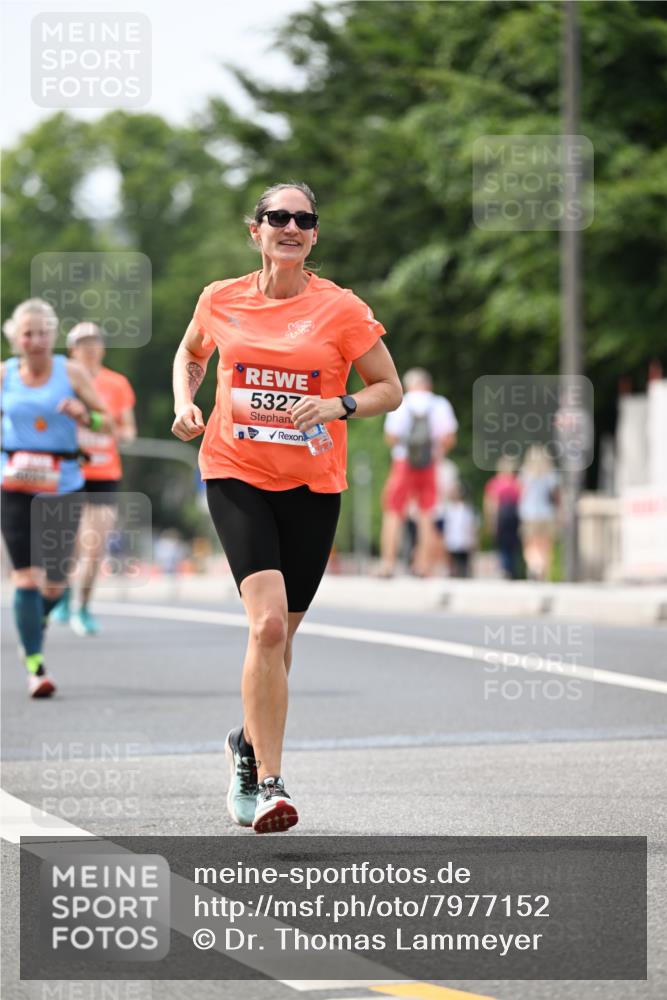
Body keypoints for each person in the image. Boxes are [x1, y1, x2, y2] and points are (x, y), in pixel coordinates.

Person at [171, 181, 402, 833]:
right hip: (234, 471)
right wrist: (187, 403)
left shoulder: (342, 310)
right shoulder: (220, 298)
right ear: (256, 230)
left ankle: (245, 742)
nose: (290, 226)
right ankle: (267, 782)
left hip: (311, 488)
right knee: (266, 628)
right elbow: (191, 354)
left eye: (303, 218)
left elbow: (389, 387)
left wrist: (339, 405)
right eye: (278, 217)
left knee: (282, 637)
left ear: (314, 234)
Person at [1, 300, 111, 697]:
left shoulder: (72, 373)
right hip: (14, 486)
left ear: (52, 335)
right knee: (26, 580)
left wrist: (86, 416)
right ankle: (35, 666)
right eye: (27, 333)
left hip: (62, 486)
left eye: (43, 332)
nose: (36, 340)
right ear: (15, 339)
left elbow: (108, 421)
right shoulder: (4, 375)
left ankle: (32, 625)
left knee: (55, 585)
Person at [50, 322, 137, 635]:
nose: (89, 348)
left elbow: (128, 430)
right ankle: (59, 595)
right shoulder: (60, 381)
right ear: (72, 349)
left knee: (94, 545)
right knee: (67, 544)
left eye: (95, 342)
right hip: (67, 472)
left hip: (104, 474)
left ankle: (83, 607)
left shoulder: (117, 384)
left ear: (102, 348)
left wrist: (110, 430)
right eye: (82, 342)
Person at [377, 368, 457, 577]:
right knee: (426, 513)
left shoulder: (401, 403)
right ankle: (423, 566)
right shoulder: (440, 404)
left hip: (403, 462)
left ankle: (388, 563)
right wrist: (436, 453)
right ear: (428, 385)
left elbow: (391, 436)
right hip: (429, 463)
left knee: (393, 511)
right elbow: (449, 437)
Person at [518, 444, 559, 581]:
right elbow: (555, 495)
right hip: (547, 513)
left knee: (530, 544)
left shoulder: (525, 473)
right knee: (545, 546)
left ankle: (534, 566)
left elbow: (521, 494)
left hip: (528, 513)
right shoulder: (551, 473)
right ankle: (543, 571)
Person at [483, 456, 522, 580]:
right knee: (512, 546)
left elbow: (491, 503)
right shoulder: (516, 482)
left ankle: (505, 569)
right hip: (514, 518)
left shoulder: (495, 483)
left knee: (503, 546)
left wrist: (490, 521)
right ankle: (511, 569)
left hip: (502, 517)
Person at [443, 482, 479, 578]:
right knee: (453, 562)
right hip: (452, 541)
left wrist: (473, 539)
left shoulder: (467, 509)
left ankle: (464, 575)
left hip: (464, 541)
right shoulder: (449, 508)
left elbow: (471, 525)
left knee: (464, 562)